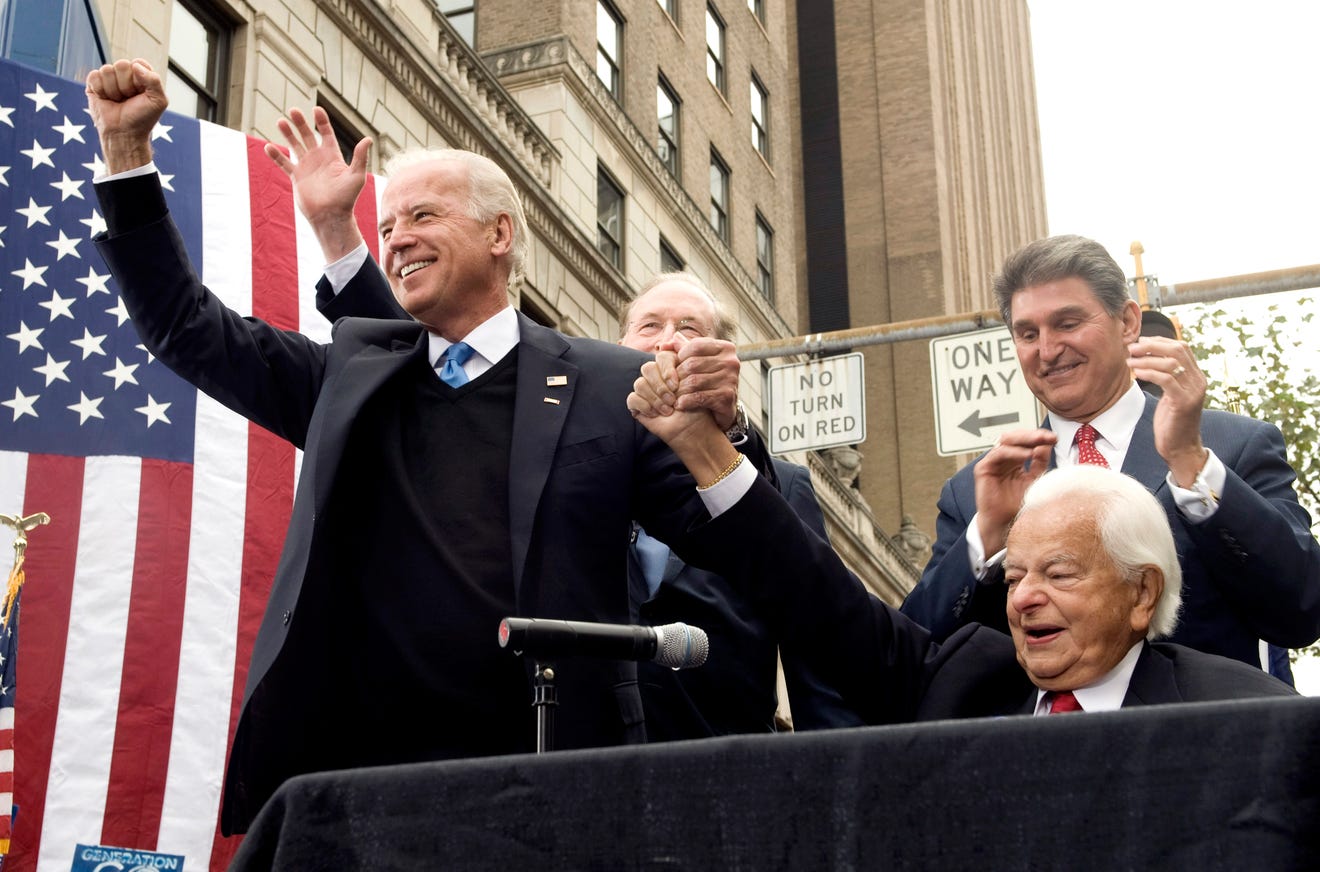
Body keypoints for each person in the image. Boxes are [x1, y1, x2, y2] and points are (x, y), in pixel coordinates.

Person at [86, 58, 733, 834]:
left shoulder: (603, 388)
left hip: (545, 794)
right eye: (386, 225)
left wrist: (730, 428)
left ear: (501, 234)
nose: (397, 240)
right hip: (359, 793)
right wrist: (127, 156)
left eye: (422, 217)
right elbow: (184, 327)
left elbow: (731, 533)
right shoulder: (346, 387)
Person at [267, 106, 859, 735]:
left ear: (721, 356)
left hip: (720, 764)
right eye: (648, 327)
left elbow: (811, 620)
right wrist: (338, 234)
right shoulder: (574, 421)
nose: (667, 342)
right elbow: (417, 359)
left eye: (690, 330)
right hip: (571, 743)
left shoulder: (778, 483)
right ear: (618, 350)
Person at [625, 362, 1295, 719]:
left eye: (1059, 575)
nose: (1025, 599)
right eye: (1015, 577)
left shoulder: (1243, 716)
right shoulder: (965, 686)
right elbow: (809, 590)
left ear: (1142, 593)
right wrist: (702, 448)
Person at [900, 235, 1320, 682]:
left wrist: (1191, 465)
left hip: (1209, 742)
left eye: (1067, 323)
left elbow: (1300, 611)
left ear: (1127, 322)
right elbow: (914, 658)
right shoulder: (974, 492)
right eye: (1027, 333)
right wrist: (986, 537)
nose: (1046, 350)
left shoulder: (1232, 447)